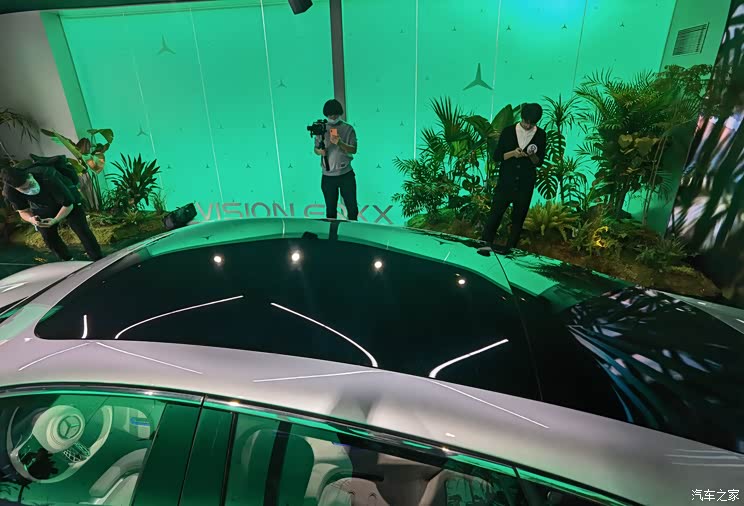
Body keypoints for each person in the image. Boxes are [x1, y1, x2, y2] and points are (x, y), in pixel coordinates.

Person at [1, 159, 103, 261]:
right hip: (42, 206)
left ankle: (97, 257)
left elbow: (68, 204)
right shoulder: (10, 192)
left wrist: (55, 220)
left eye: (31, 184)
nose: (29, 189)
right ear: (16, 189)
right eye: (24, 189)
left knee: (81, 228)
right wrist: (32, 219)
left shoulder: (47, 175)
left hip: (68, 199)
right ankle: (66, 260)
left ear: (30, 176)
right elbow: (23, 211)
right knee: (47, 235)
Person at [481, 103, 546, 251]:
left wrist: (532, 155)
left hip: (525, 185)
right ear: (522, 118)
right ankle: (484, 246)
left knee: (518, 221)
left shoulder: (541, 135)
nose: (528, 126)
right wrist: (513, 154)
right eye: (526, 122)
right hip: (506, 183)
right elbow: (497, 156)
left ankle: (511, 250)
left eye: (531, 123)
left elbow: (539, 162)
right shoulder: (509, 131)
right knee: (494, 216)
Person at [314, 99, 359, 220]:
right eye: (330, 115)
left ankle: (353, 230)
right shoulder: (321, 129)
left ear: (339, 113)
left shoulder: (348, 128)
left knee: (352, 209)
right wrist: (320, 151)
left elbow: (353, 149)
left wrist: (340, 143)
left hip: (346, 175)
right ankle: (332, 231)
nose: (333, 117)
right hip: (328, 176)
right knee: (330, 211)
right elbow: (316, 149)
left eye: (335, 114)